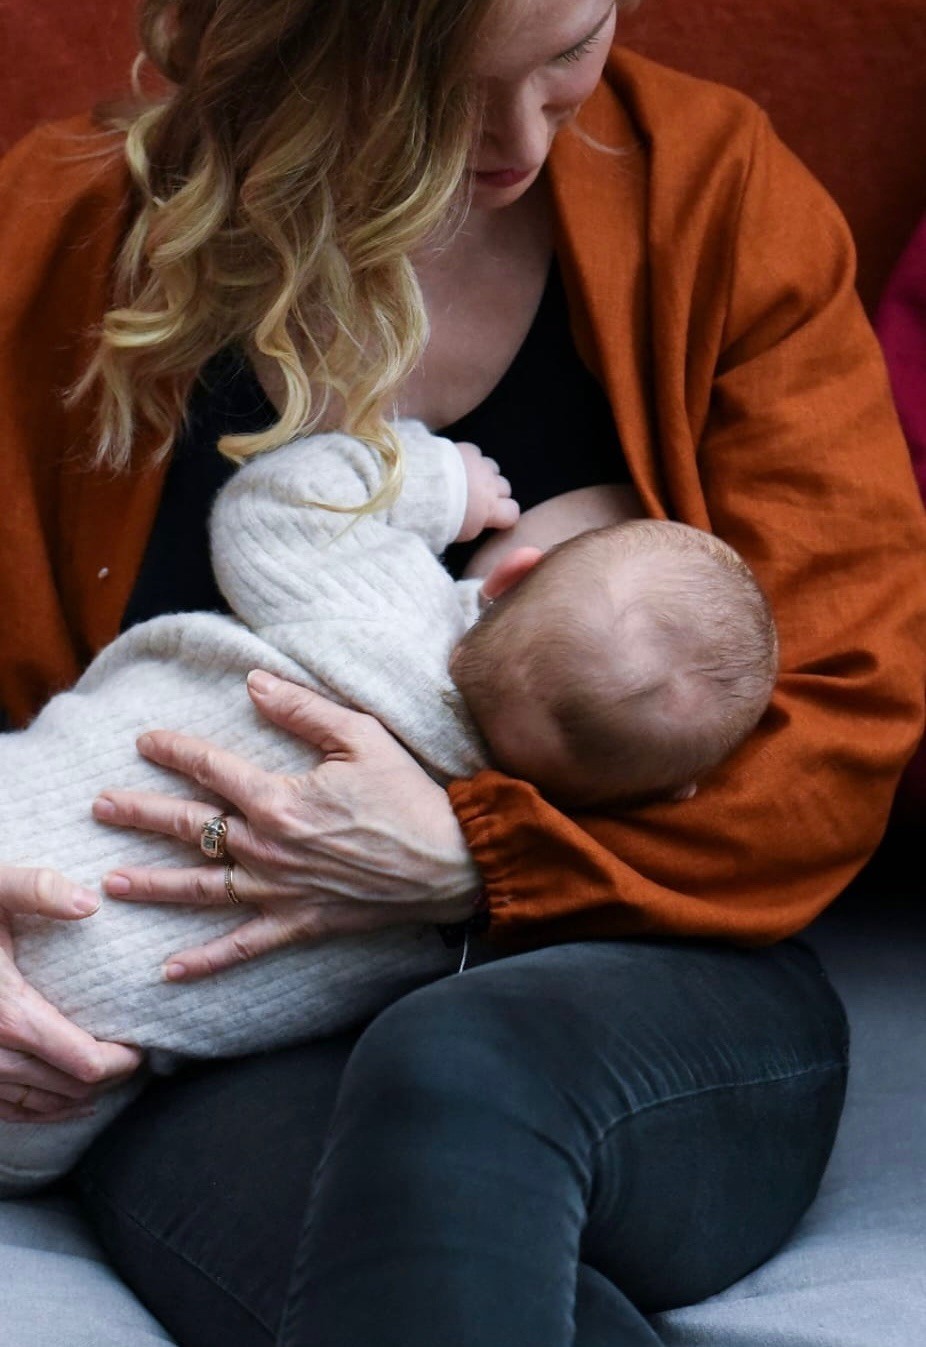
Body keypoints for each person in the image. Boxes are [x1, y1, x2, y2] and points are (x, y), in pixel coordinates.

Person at [0, 0, 923, 1343]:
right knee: (370, 1243)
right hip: (224, 1037)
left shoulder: (711, 197)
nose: (518, 137)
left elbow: (842, 722)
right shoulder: (56, 230)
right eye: (439, 80)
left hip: (640, 975)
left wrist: (475, 857)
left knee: (450, 1059)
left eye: (569, 47)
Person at [1, 414, 777, 1194]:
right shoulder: (458, 918)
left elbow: (271, 504)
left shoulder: (384, 607)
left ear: (508, 577)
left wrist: (438, 480)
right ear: (674, 794)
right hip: (47, 1093)